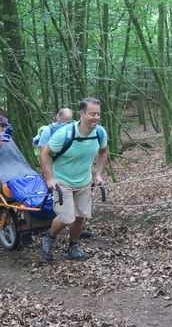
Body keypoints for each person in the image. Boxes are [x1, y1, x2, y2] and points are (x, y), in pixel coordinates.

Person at [40, 98, 107, 262]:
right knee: (66, 217)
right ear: (82, 113)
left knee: (80, 215)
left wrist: (98, 174)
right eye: (92, 114)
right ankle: (49, 238)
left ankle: (73, 247)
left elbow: (103, 151)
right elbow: (45, 153)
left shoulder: (100, 133)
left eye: (98, 114)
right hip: (62, 180)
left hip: (84, 180)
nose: (96, 117)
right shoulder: (65, 134)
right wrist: (49, 179)